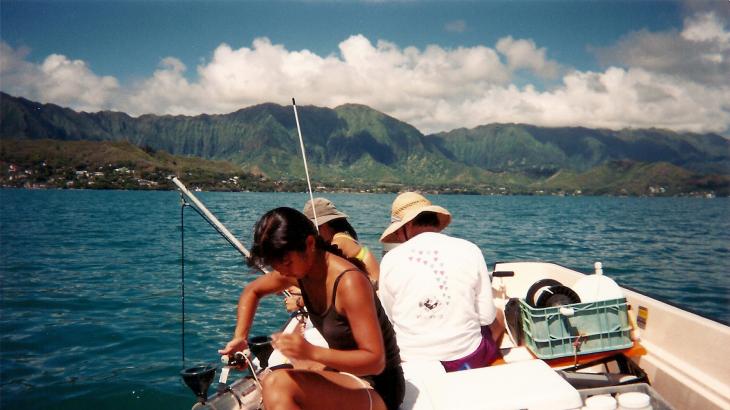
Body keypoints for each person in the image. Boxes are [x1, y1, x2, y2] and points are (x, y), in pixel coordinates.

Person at [219, 207, 404, 410]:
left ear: (309, 244)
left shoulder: (349, 282)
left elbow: (374, 361)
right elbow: (252, 291)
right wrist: (240, 338)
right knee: (271, 375)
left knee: (277, 384)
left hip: (379, 387)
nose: (281, 271)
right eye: (275, 265)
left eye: (286, 262)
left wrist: (310, 352)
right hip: (346, 376)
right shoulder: (300, 271)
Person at [378, 192, 504, 372]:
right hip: (466, 360)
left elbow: (390, 317)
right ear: (435, 221)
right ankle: (482, 370)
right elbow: (486, 317)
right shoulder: (470, 249)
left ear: (406, 226)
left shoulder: (390, 260)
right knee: (499, 315)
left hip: (411, 361)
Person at [284, 197, 380, 312]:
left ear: (325, 226)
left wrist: (299, 302)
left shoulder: (338, 243)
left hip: (370, 300)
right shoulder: (342, 237)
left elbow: (329, 284)